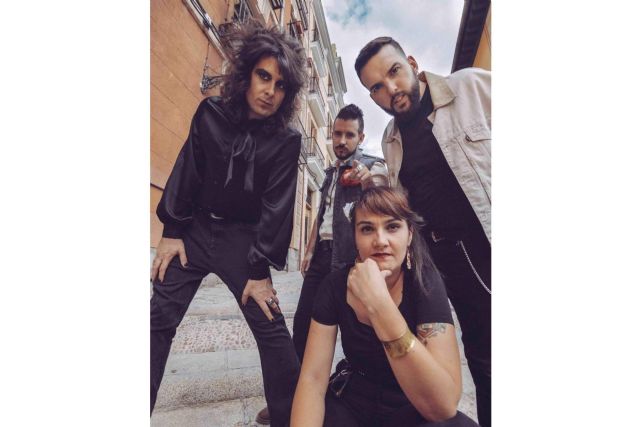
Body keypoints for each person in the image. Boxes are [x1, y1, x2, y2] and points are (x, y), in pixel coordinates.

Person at [149, 20, 307, 427]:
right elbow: (188, 169)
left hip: (244, 241)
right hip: (194, 231)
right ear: (246, 74)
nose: (270, 91)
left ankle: (292, 418)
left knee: (272, 329)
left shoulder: (287, 140)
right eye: (263, 76)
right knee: (157, 319)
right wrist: (171, 232)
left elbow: (277, 206)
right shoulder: (210, 113)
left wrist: (259, 270)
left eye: (281, 85)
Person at [354, 37, 492, 426]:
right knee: (482, 357)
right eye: (377, 87)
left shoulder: (469, 86)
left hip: (486, 244)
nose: (391, 89)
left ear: (412, 63)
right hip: (442, 260)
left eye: (394, 72)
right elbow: (403, 194)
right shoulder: (390, 138)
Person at [290, 187, 478, 427]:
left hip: (414, 402)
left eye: (392, 227)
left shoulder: (425, 282)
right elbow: (313, 379)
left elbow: (444, 406)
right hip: (353, 401)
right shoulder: (335, 285)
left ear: (409, 235)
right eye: (367, 229)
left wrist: (379, 305)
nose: (380, 241)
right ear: (355, 237)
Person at [292, 103, 388, 362]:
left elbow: (383, 199)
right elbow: (322, 214)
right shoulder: (330, 172)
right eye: (337, 134)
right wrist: (309, 251)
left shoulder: (373, 165)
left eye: (349, 135)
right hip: (321, 257)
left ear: (361, 137)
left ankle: (357, 379)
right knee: (303, 325)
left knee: (355, 331)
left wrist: (366, 180)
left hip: (350, 259)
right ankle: (300, 382)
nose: (342, 141)